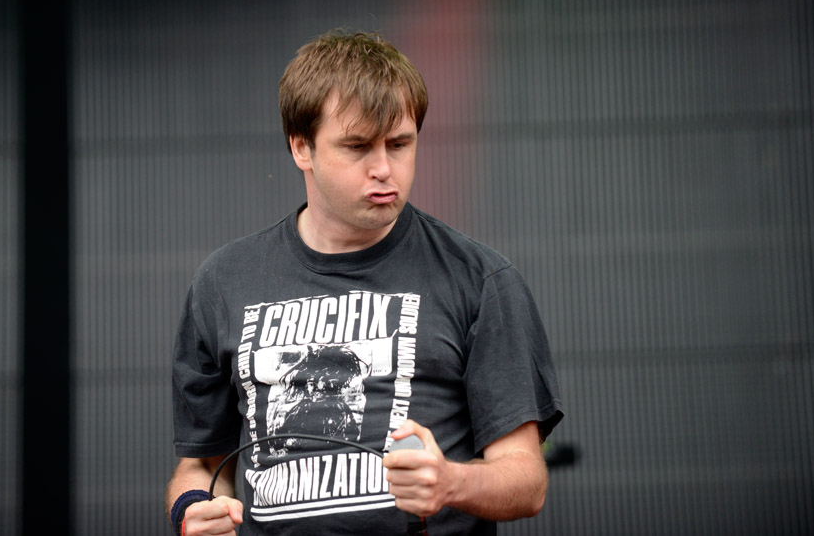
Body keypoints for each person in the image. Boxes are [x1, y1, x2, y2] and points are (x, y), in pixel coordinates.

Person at [165, 30, 563, 536]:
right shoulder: (222, 281)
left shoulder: (480, 279)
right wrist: (193, 509)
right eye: (356, 147)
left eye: (400, 144)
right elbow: (199, 466)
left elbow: (527, 480)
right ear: (301, 147)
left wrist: (451, 483)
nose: (384, 169)